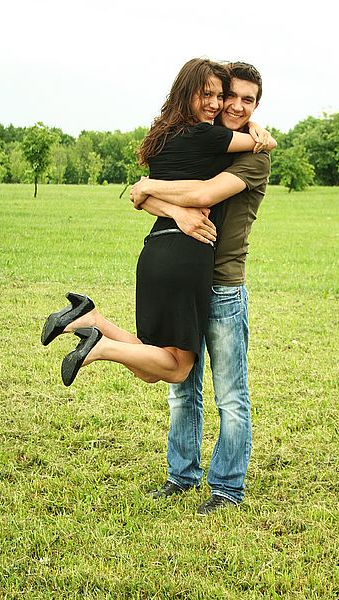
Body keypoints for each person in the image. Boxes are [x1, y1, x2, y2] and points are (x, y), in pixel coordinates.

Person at [41, 58, 275, 391]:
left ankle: (90, 319)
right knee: (179, 369)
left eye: (218, 96)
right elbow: (252, 154)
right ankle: (100, 346)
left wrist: (156, 194)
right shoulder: (206, 136)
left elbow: (139, 195)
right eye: (206, 94)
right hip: (187, 254)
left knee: (152, 364)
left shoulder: (161, 134)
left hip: (153, 252)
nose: (216, 104)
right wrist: (258, 130)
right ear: (187, 92)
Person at [129, 62, 270, 515]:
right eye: (232, 96)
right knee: (182, 387)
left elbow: (204, 195)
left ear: (255, 107)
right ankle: (181, 476)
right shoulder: (210, 143)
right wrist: (160, 203)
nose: (234, 105)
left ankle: (226, 489)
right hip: (189, 278)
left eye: (248, 101)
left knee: (230, 395)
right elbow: (151, 196)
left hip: (224, 286)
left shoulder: (252, 156)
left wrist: (151, 189)